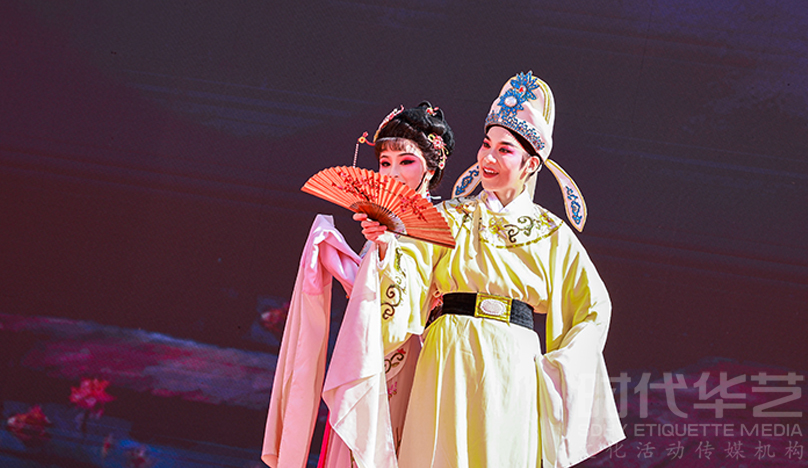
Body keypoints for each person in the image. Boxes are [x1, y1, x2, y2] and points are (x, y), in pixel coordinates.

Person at [356, 72, 625, 468]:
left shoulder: (552, 234)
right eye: (486, 145)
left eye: (504, 150)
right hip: (447, 358)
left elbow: (594, 309)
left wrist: (556, 371)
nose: (488, 158)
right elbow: (409, 274)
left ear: (530, 164)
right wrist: (385, 248)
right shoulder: (447, 217)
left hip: (514, 365)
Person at [262, 102, 455, 468]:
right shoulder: (384, 225)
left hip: (408, 355)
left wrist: (384, 250)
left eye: (406, 162)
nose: (392, 173)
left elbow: (414, 298)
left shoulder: (442, 225)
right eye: (385, 163)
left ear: (431, 168)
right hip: (366, 348)